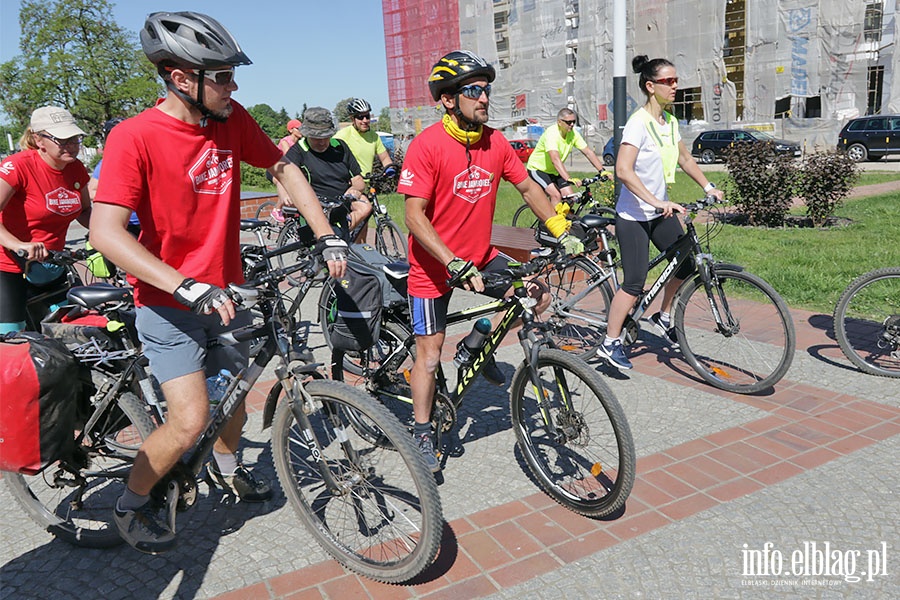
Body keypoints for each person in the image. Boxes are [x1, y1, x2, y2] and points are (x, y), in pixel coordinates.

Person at [89, 11, 348, 555]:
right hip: (167, 303)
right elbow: (106, 232)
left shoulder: (232, 121)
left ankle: (227, 469)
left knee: (233, 400)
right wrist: (184, 285)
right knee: (189, 421)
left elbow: (283, 169)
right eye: (224, 76)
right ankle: (132, 501)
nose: (235, 86)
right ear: (183, 79)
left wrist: (326, 234)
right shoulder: (134, 136)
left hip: (227, 294)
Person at [398, 50, 583, 472]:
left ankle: (477, 342)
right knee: (428, 355)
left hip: (479, 256)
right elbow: (413, 216)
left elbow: (529, 189)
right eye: (475, 90)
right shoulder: (426, 146)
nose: (485, 98)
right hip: (433, 266)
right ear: (448, 99)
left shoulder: (496, 142)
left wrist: (561, 230)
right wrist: (450, 261)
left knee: (535, 295)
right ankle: (423, 430)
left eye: (487, 90)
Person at [597, 55, 724, 371]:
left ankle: (663, 316)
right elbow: (623, 171)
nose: (675, 86)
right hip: (634, 215)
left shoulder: (670, 123)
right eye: (668, 81)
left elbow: (685, 159)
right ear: (650, 86)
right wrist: (656, 201)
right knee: (635, 282)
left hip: (658, 211)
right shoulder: (638, 123)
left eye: (676, 80)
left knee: (684, 263)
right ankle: (610, 342)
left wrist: (708, 187)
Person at [0, 106, 91, 333]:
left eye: (74, 139)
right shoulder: (18, 166)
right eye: (62, 140)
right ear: (38, 140)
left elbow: (84, 211)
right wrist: (18, 245)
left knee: (75, 329)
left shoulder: (75, 168)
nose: (71, 146)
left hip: (53, 262)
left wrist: (113, 235)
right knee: (14, 337)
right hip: (9, 265)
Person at [283, 107, 372, 240]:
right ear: (307, 134)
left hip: (342, 202)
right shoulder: (298, 150)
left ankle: (339, 233)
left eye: (326, 137)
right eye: (316, 138)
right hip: (316, 204)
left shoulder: (340, 146)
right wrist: (285, 193)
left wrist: (355, 190)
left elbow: (358, 179)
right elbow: (278, 175)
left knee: (365, 207)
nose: (322, 142)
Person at [525, 108, 606, 205]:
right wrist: (568, 178)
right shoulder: (551, 134)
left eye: (573, 122)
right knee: (556, 195)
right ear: (559, 122)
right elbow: (555, 159)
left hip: (554, 171)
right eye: (568, 122)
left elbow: (588, 152)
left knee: (571, 198)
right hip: (538, 169)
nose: (572, 124)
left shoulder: (573, 134)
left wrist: (602, 170)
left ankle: (564, 219)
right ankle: (550, 219)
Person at [88, 117, 141, 237]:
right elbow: (91, 191)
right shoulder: (106, 163)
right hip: (126, 224)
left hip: (148, 222)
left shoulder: (142, 157)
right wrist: (123, 199)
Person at [334, 98, 395, 178]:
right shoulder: (342, 136)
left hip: (367, 182)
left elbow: (384, 158)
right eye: (360, 117)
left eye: (367, 116)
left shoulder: (374, 136)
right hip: (349, 185)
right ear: (352, 119)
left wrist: (389, 169)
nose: (365, 120)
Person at [269, 118, 302, 223]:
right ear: (291, 130)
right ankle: (276, 209)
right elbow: (289, 156)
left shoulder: (300, 142)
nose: (301, 131)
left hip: (287, 170)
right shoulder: (285, 141)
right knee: (283, 182)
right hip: (274, 169)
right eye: (298, 128)